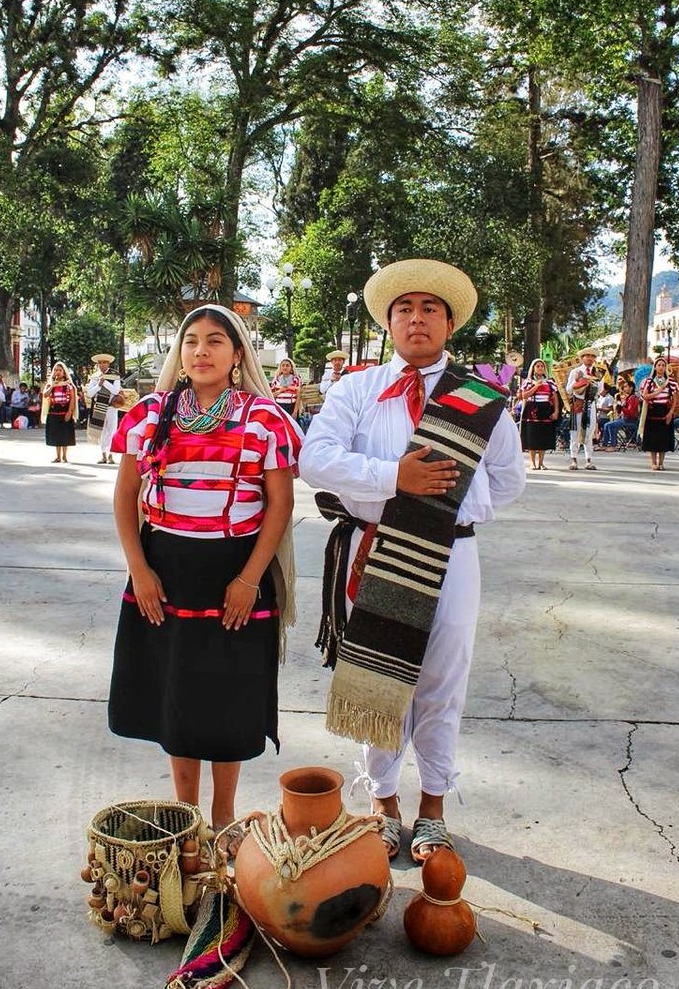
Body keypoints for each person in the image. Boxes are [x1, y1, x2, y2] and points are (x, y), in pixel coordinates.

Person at [299, 259, 525, 864]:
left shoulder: (483, 400)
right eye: (404, 309)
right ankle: (383, 801)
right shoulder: (358, 389)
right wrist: (392, 479)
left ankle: (433, 807)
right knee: (377, 678)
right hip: (374, 551)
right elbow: (315, 459)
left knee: (443, 681)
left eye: (429, 309)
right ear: (389, 323)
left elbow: (508, 481)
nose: (416, 319)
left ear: (449, 323)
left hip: (452, 554)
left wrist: (448, 516)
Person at [108, 305, 302, 853]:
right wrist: (139, 570)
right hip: (165, 573)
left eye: (215, 341)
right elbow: (125, 497)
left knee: (228, 693)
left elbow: (279, 506)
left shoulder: (265, 419)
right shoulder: (149, 413)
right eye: (190, 341)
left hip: (236, 572)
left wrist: (248, 579)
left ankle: (224, 816)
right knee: (177, 690)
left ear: (237, 354)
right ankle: (186, 816)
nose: (200, 351)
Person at [518, 358, 560, 470]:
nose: (540, 368)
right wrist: (536, 386)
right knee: (532, 435)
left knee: (543, 435)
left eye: (542, 366)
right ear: (533, 368)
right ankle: (532, 462)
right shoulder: (528, 382)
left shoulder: (550, 382)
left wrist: (556, 411)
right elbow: (524, 396)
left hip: (545, 409)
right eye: (538, 366)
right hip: (532, 408)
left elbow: (555, 398)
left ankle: (541, 462)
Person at [565, 347, 603, 470]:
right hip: (578, 404)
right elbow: (569, 389)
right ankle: (573, 459)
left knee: (589, 431)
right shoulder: (576, 371)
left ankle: (588, 459)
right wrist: (578, 381)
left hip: (590, 404)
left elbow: (601, 390)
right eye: (587, 356)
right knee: (575, 433)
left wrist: (593, 385)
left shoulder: (597, 373)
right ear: (582, 358)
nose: (590, 358)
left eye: (592, 356)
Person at [638, 357, 678, 472]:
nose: (661, 367)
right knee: (652, 437)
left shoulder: (671, 382)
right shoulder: (648, 381)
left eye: (663, 365)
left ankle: (661, 463)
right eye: (659, 365)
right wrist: (658, 391)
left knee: (663, 437)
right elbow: (645, 396)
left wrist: (670, 413)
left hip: (665, 409)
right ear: (655, 367)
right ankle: (653, 463)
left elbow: (675, 399)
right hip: (652, 409)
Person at [86, 353, 121, 463]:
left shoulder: (115, 375)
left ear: (108, 363)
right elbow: (90, 393)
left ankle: (111, 454)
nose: (102, 364)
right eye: (100, 362)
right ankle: (103, 454)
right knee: (101, 431)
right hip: (99, 406)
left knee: (112, 431)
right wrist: (98, 385)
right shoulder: (95, 377)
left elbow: (116, 391)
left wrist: (105, 382)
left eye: (104, 362)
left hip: (111, 407)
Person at [42, 361, 77, 463]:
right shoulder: (51, 384)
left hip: (65, 411)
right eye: (56, 370)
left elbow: (72, 400)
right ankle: (58, 456)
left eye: (60, 370)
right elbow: (45, 395)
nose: (58, 372)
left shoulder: (69, 385)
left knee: (65, 434)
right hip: (54, 412)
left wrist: (70, 412)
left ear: (64, 372)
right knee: (56, 434)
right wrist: (52, 386)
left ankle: (65, 456)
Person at [600, 379, 639, 449]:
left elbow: (630, 412)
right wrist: (619, 409)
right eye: (624, 387)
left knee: (611, 425)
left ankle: (613, 445)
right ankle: (604, 445)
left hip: (630, 420)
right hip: (624, 418)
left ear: (631, 387)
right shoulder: (628, 398)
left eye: (626, 387)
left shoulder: (633, 398)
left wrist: (621, 407)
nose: (624, 388)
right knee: (606, 425)